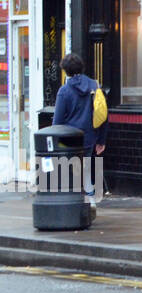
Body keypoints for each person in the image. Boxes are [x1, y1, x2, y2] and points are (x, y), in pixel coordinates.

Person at [51, 53, 104, 206]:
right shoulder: (95, 86)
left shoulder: (64, 91)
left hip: (69, 140)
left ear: (65, 70)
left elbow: (58, 121)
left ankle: (73, 204)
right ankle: (91, 201)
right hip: (89, 138)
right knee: (86, 169)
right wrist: (101, 140)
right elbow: (103, 113)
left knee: (70, 172)